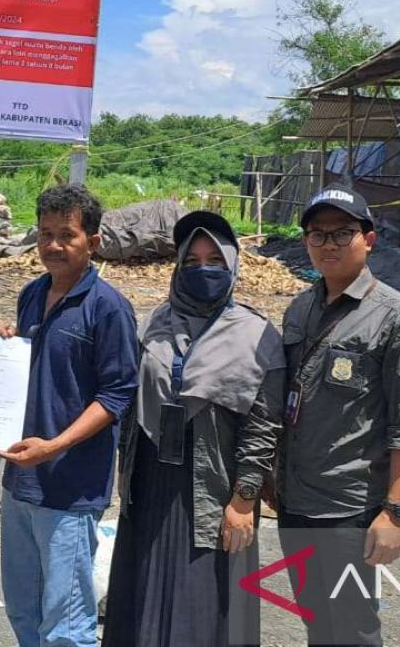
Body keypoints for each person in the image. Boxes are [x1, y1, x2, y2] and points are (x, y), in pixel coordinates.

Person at [102, 211, 285, 647]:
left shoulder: (258, 336)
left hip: (213, 487)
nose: (203, 269)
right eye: (192, 261)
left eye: (215, 261)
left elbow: (263, 426)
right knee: (142, 592)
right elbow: (116, 387)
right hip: (151, 485)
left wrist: (243, 500)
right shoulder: (154, 323)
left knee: (205, 606)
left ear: (234, 266)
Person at [276, 185, 400, 647]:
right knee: (316, 622)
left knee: (353, 630)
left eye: (342, 233)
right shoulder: (300, 307)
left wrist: (393, 512)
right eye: (317, 234)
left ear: (369, 238)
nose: (328, 245)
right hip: (295, 500)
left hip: (349, 509)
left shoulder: (398, 316)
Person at [0, 184, 139, 647]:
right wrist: (5, 345)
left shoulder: (108, 308)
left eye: (67, 235)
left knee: (68, 621)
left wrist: (56, 446)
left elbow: (117, 395)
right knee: (24, 608)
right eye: (45, 234)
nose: (53, 246)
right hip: (21, 478)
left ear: (93, 242)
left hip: (70, 485)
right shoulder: (32, 294)